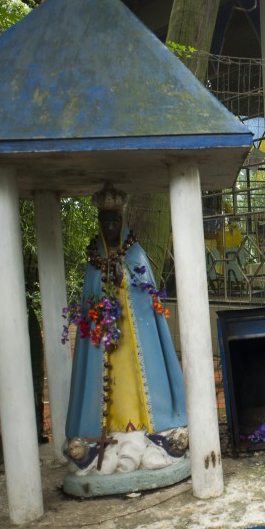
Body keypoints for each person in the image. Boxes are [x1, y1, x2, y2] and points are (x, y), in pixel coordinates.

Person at [62, 183, 189, 492]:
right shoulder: (94, 263)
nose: (109, 227)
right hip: (106, 346)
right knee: (108, 386)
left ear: (122, 222)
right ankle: (102, 438)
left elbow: (145, 296)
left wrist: (124, 279)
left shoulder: (137, 256)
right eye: (104, 221)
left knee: (138, 382)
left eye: (114, 221)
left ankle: (149, 431)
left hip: (136, 342)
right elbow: (91, 297)